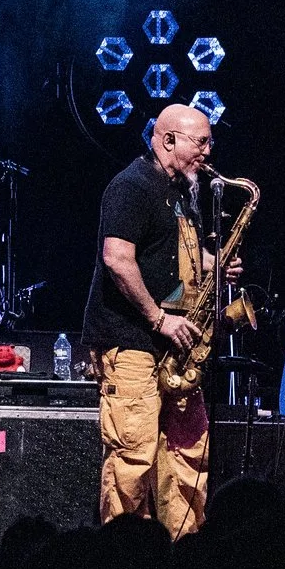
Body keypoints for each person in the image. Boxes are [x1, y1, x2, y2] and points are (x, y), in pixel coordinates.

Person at [81, 104, 242, 536]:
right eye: (201, 142)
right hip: (133, 340)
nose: (208, 152)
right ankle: (126, 565)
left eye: (210, 141)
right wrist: (158, 319)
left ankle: (184, 556)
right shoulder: (131, 186)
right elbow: (117, 260)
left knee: (188, 455)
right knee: (133, 459)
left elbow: (172, 256)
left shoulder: (182, 192)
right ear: (167, 140)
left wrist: (214, 264)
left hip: (178, 350)